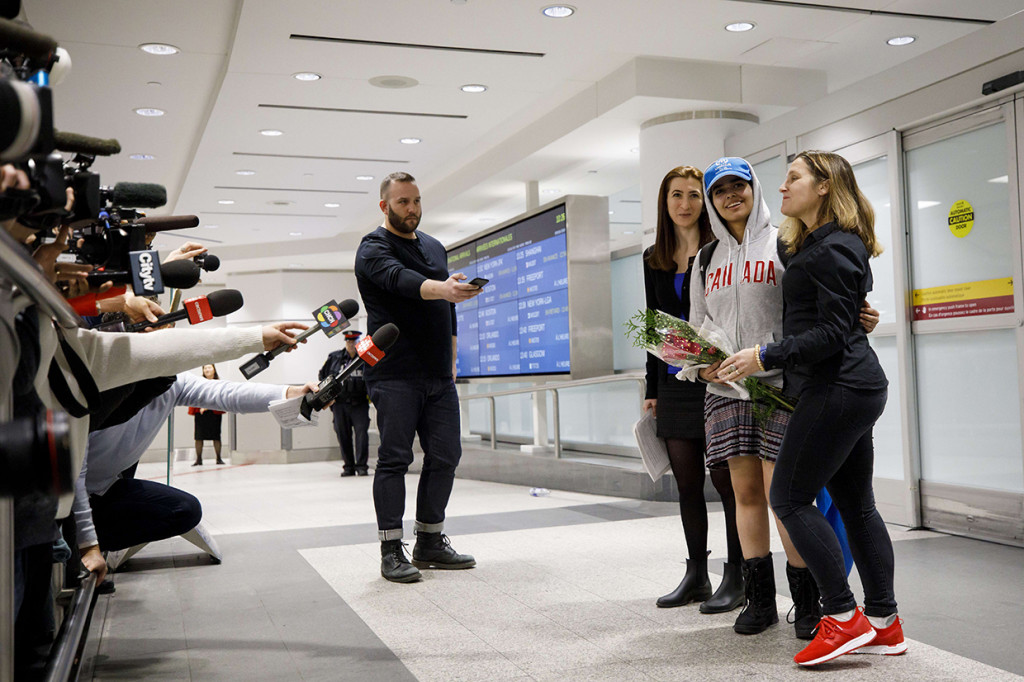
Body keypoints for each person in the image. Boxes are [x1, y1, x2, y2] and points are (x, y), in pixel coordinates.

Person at [720, 151, 901, 666]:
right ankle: (884, 622)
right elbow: (841, 319)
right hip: (850, 385)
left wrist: (764, 355)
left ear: (824, 186)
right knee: (856, 504)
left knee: (790, 498)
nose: (782, 188)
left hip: (837, 388)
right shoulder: (817, 245)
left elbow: (831, 331)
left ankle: (842, 617)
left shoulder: (833, 248)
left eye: (793, 178)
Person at [354, 171, 483, 583]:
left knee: (446, 456)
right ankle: (391, 549)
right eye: (403, 202)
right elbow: (400, 281)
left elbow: (447, 308)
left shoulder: (434, 245)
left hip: (437, 375)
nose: (412, 209)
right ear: (384, 206)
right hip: (394, 374)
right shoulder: (372, 247)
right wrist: (441, 289)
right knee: (395, 459)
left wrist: (453, 356)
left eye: (416, 201)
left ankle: (430, 541)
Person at [75, 371, 322, 566]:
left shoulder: (171, 381)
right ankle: (75, 545)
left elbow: (228, 393)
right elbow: (74, 470)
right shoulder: (101, 381)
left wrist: (290, 392)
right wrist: (88, 544)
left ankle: (94, 541)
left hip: (105, 486)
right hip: (67, 493)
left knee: (185, 511)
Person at [642, 166, 744, 613]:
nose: (685, 204)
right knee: (687, 484)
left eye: (692, 196)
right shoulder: (654, 258)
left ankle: (739, 574)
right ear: (665, 205)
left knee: (727, 481)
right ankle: (696, 574)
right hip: (675, 382)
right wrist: (651, 387)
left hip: (720, 377)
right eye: (675, 196)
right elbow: (653, 328)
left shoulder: (721, 251)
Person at [319, 330, 370, 476]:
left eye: (354, 341)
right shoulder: (335, 358)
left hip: (359, 403)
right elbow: (323, 376)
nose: (352, 344)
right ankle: (348, 466)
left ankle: (361, 466)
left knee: (361, 435)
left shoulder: (365, 359)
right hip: (340, 404)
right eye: (349, 341)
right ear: (345, 342)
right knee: (343, 435)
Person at [191, 363, 225, 465]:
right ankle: (198, 459)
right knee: (199, 437)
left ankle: (218, 458)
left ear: (214, 370)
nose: (207, 370)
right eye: (205, 368)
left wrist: (208, 407)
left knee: (216, 436)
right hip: (201, 414)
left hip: (214, 413)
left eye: (209, 367)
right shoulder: (199, 382)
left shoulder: (219, 383)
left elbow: (219, 397)